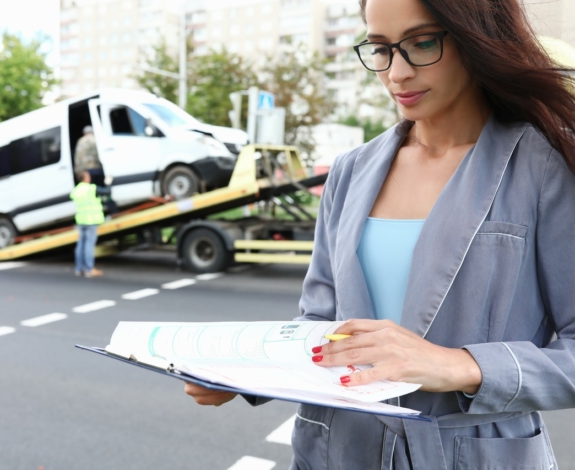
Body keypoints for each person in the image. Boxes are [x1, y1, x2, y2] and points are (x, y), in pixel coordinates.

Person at [185, 0, 575, 468]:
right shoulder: (352, 171)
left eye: (421, 43)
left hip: (476, 454)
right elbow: (322, 323)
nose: (397, 72)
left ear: (476, 36)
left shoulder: (544, 167)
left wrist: (459, 365)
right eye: (380, 48)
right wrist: (243, 371)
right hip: (338, 450)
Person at [70, 171, 111, 277]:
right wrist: (108, 183)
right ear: (86, 178)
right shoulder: (91, 188)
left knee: (80, 244)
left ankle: (79, 269)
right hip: (91, 220)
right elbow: (106, 192)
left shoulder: (76, 190)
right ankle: (89, 269)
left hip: (81, 220)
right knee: (89, 245)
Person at [74, 125, 119, 216]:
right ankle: (114, 211)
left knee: (93, 194)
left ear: (84, 133)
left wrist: (79, 173)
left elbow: (77, 159)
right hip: (96, 169)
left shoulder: (80, 141)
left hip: (85, 173)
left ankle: (99, 213)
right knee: (104, 191)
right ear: (92, 132)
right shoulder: (95, 139)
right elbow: (101, 154)